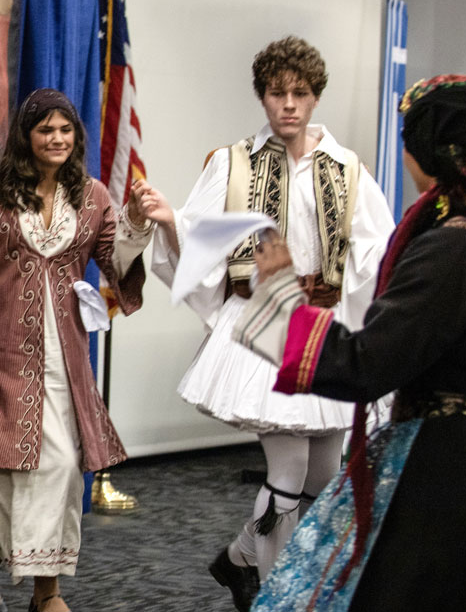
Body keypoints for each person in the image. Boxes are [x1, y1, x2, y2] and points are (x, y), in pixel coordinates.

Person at [235, 75, 466, 610]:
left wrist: (282, 301)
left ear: (427, 148)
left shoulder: (455, 247)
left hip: (450, 474)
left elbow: (365, 365)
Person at [146, 36, 395, 610]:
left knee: (324, 473)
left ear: (315, 97)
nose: (288, 104)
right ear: (261, 96)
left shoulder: (346, 168)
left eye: (300, 93)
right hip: (263, 327)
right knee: (290, 464)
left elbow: (377, 246)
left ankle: (239, 559)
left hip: (322, 323)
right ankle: (282, 595)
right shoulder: (236, 162)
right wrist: (170, 220)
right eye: (277, 93)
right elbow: (205, 231)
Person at [0, 89, 157, 612]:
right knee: (21, 476)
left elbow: (115, 261)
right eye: (45, 130)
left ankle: (22, 583)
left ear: (76, 136)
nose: (56, 139)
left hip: (66, 362)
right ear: (27, 136)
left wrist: (135, 222)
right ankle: (25, 586)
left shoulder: (94, 196)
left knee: (58, 470)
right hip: (7, 359)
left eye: (65, 130)